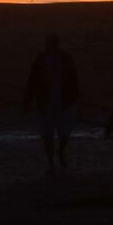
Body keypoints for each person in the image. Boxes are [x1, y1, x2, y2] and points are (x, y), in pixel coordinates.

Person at [21, 34, 80, 173]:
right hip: (46, 103)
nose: (52, 47)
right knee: (47, 134)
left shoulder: (66, 58)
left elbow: (74, 79)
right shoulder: (40, 59)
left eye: (54, 44)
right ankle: (51, 161)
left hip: (64, 102)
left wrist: (74, 97)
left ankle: (60, 153)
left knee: (64, 134)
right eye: (50, 44)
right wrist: (27, 101)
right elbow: (32, 81)